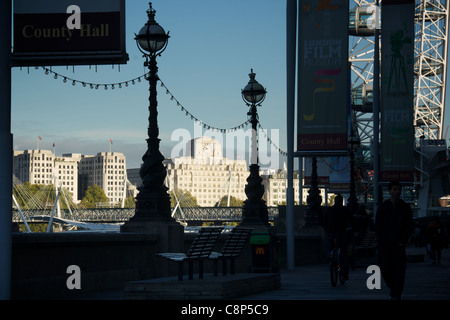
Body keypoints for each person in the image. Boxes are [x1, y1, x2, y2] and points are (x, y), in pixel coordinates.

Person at [375, 181, 413, 300]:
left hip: (398, 245)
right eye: (395, 189)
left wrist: (403, 241)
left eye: (399, 190)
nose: (397, 192)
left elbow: (409, 226)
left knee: (399, 271)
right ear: (390, 191)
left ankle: (396, 294)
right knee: (385, 269)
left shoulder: (404, 207)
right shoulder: (383, 207)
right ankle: (394, 289)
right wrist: (380, 241)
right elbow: (378, 225)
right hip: (385, 245)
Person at [323, 194, 352, 280]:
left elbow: (324, 221)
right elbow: (351, 220)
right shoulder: (345, 210)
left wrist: (327, 229)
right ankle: (344, 274)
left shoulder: (329, 210)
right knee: (343, 254)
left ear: (335, 201)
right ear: (342, 201)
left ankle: (329, 255)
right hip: (341, 234)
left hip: (331, 233)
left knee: (330, 243)